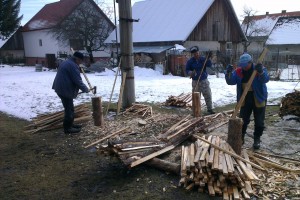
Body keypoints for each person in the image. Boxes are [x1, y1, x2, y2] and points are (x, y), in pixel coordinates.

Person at [225, 53, 269, 149]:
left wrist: (261, 72)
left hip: (259, 97)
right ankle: (241, 138)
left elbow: (265, 79)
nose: (244, 67)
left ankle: (257, 139)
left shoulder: (258, 68)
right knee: (243, 120)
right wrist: (228, 73)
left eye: (246, 65)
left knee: (259, 122)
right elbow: (230, 81)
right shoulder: (239, 71)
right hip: (244, 98)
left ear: (250, 62)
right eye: (242, 65)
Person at [52, 52, 89, 134]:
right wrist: (85, 88)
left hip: (61, 88)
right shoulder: (72, 65)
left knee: (70, 108)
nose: (81, 63)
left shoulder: (67, 62)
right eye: (81, 61)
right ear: (77, 59)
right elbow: (77, 80)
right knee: (69, 109)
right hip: (64, 89)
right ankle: (68, 128)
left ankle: (70, 125)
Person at [186, 46, 215, 114]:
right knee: (196, 96)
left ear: (198, 52)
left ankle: (209, 109)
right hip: (195, 81)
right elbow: (187, 70)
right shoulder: (190, 61)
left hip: (204, 80)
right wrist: (190, 73)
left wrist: (208, 58)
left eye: (197, 53)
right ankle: (195, 111)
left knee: (207, 95)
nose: (196, 54)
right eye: (194, 54)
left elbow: (209, 65)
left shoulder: (203, 59)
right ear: (192, 54)